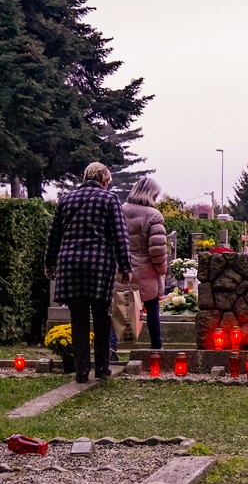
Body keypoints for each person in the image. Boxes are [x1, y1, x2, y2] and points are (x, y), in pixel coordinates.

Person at [45, 162, 132, 383]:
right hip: (99, 265)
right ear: (104, 179)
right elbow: (120, 236)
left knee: (78, 320)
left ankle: (81, 371)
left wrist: (50, 264)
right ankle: (102, 367)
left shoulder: (65, 200)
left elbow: (53, 236)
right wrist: (125, 266)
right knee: (102, 317)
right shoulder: (110, 199)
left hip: (70, 265)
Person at [121, 177, 169, 349]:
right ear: (152, 194)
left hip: (124, 267)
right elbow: (157, 250)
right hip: (146, 271)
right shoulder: (153, 215)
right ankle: (156, 346)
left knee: (121, 310)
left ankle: (112, 347)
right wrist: (162, 270)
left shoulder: (121, 210)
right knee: (152, 309)